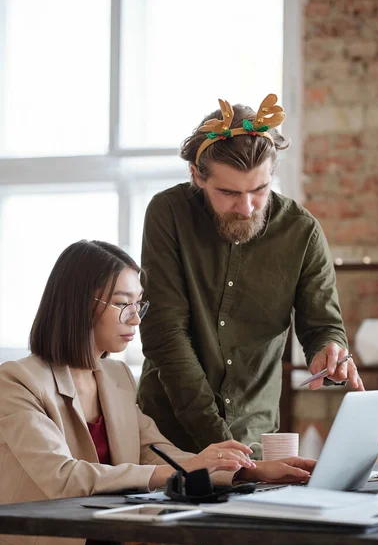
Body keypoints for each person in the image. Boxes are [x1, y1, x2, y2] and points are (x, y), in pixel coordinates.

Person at [0, 239, 315, 545]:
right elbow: (63, 477)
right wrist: (181, 473)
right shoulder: (16, 381)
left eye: (139, 304)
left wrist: (247, 471)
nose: (136, 318)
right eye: (123, 304)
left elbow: (155, 452)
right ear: (80, 305)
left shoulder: (116, 375)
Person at [138, 93, 364, 456]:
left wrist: (328, 350)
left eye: (259, 190)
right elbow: (165, 335)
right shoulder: (169, 214)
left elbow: (323, 326)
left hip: (255, 437)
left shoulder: (301, 231)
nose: (245, 208)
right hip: (167, 439)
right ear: (196, 176)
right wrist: (219, 441)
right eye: (228, 192)